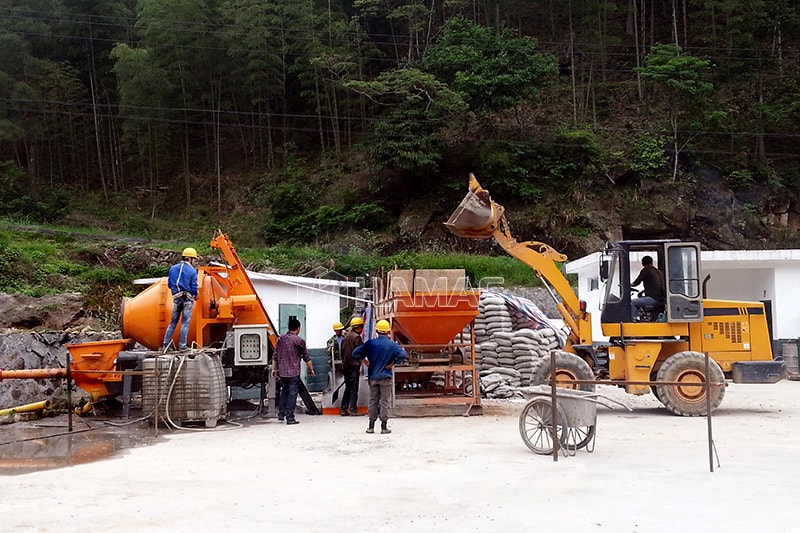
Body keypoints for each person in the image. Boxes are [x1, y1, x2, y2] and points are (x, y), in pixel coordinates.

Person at [352, 319, 406, 434]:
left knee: (373, 401)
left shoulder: (370, 343)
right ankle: (384, 427)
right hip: (385, 377)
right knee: (384, 402)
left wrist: (364, 361)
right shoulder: (392, 345)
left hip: (373, 378)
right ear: (388, 331)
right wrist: (392, 364)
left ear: (376, 331)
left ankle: (371, 427)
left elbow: (355, 353)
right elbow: (403, 355)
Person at [273, 318, 315, 425]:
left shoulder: (280, 339)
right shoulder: (299, 341)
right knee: (292, 394)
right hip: (293, 372)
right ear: (298, 328)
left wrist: (274, 369)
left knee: (284, 392)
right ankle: (290, 417)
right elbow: (306, 357)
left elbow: (275, 356)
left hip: (282, 372)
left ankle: (281, 414)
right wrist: (311, 369)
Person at [162, 247, 199, 351]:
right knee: (185, 323)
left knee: (173, 322)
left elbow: (170, 284)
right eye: (194, 259)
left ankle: (165, 345)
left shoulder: (173, 268)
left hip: (176, 299)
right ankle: (182, 346)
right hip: (187, 300)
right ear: (190, 259)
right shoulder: (192, 271)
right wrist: (196, 294)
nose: (195, 262)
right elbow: (194, 288)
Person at [339, 317, 365, 416]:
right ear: (358, 327)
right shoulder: (357, 337)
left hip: (345, 366)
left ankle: (343, 409)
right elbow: (360, 352)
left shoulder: (346, 337)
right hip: (353, 366)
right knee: (354, 388)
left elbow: (342, 352)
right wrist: (364, 361)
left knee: (348, 388)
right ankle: (353, 409)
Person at [630, 255, 666, 320]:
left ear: (643, 263)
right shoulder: (658, 272)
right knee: (640, 299)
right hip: (661, 299)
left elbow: (636, 282)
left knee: (632, 302)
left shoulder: (646, 270)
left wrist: (629, 285)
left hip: (653, 299)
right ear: (651, 262)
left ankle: (630, 320)